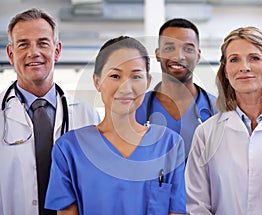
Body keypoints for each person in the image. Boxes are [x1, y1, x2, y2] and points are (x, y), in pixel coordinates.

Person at [44, 36, 186, 215]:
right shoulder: (69, 149)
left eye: (136, 76)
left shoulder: (170, 145)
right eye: (115, 76)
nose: (125, 87)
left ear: (148, 82)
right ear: (97, 82)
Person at [185, 26, 262, 214]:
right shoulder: (207, 133)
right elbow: (196, 204)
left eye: (254, 58)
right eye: (234, 59)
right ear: (226, 72)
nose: (244, 67)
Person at [0, 8, 100, 215]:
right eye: (23, 44)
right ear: (11, 54)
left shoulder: (87, 115)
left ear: (57, 50)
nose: (33, 52)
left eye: (43, 43)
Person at [136, 18, 217, 158]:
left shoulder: (218, 110)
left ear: (198, 55)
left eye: (188, 49)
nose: (179, 56)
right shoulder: (135, 108)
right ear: (157, 54)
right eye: (169, 48)